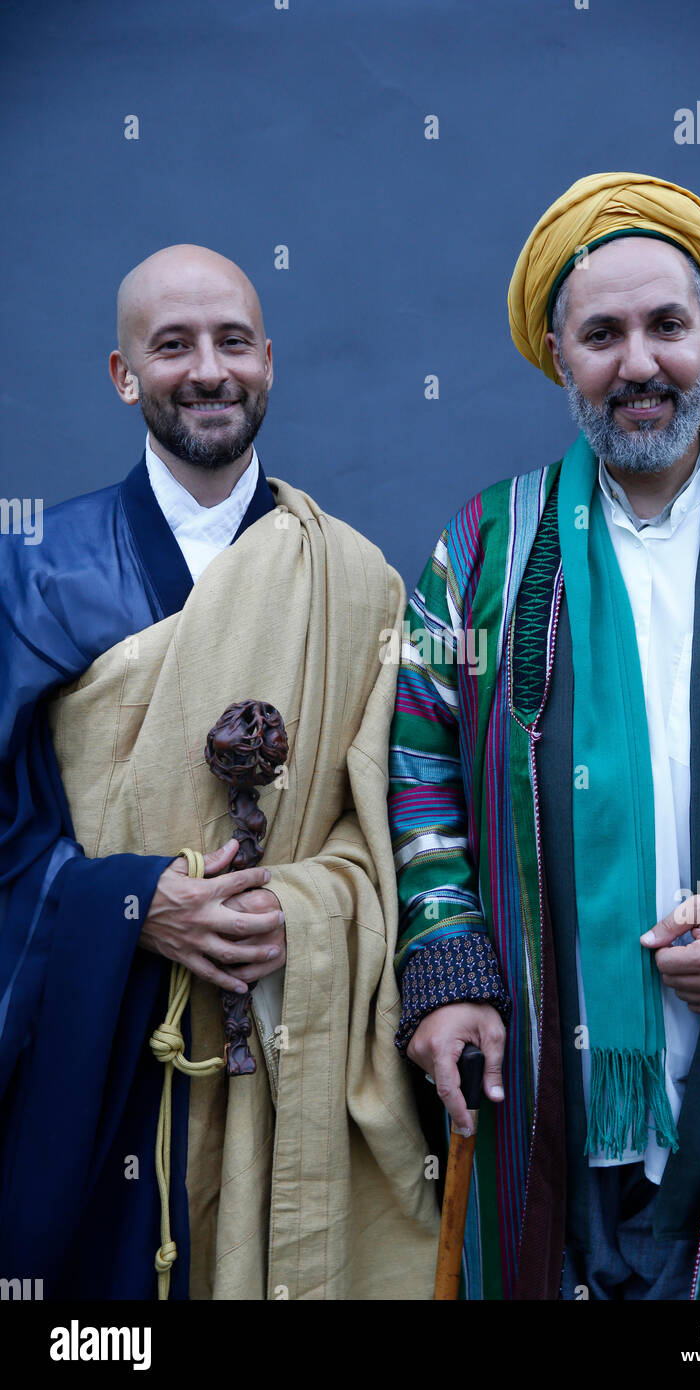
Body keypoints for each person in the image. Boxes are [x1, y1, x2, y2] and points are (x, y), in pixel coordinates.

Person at [388, 172, 700, 1300]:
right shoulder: (482, 550)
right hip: (539, 1069)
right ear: (556, 353)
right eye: (600, 333)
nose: (638, 363)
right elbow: (417, 780)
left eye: (667, 325)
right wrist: (448, 969)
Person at [0, 244, 439, 1300]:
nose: (208, 369)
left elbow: (393, 817)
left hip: (288, 1030)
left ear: (269, 361)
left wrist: (302, 906)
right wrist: (130, 904)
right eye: (173, 345)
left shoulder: (355, 580)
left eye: (232, 342)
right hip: (103, 1038)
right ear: (122, 373)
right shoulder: (34, 568)